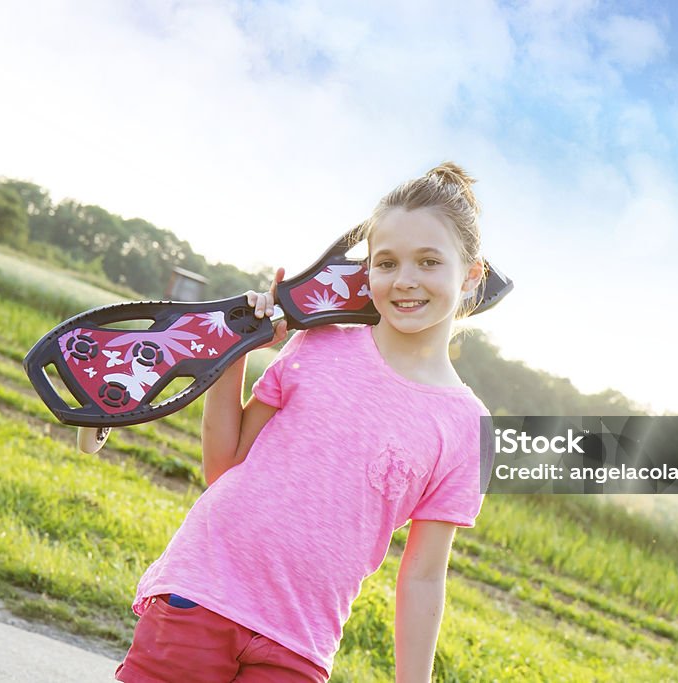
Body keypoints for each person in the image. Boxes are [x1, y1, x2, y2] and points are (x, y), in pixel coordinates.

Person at [115, 162, 491, 682]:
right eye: (386, 263)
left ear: (471, 274)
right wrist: (236, 348)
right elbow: (224, 466)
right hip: (203, 589)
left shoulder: (469, 427)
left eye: (429, 262)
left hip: (301, 641)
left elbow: (424, 576)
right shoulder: (320, 343)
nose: (405, 281)